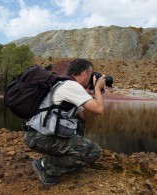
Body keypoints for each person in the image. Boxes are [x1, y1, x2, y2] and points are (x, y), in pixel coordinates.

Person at [23, 58, 106, 186]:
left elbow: (84, 117)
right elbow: (99, 109)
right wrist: (97, 89)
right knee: (94, 151)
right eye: (91, 74)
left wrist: (97, 93)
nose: (91, 78)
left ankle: (57, 160)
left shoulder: (64, 84)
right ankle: (46, 166)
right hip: (41, 137)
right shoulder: (71, 86)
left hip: (38, 135)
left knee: (79, 126)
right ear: (84, 73)